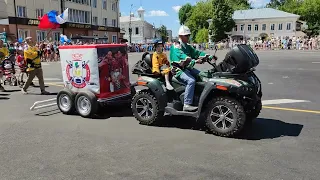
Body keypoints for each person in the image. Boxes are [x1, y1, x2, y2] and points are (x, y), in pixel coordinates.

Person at [170, 25, 213, 112]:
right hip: (178, 70)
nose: (188, 37)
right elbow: (182, 56)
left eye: (188, 35)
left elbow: (196, 52)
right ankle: (187, 104)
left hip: (187, 68)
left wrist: (208, 56)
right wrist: (194, 61)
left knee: (202, 75)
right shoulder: (176, 46)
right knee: (191, 80)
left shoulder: (187, 45)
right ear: (181, 36)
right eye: (186, 35)